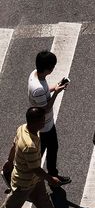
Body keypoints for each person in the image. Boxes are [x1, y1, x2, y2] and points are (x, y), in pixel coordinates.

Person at [0, 107, 72, 208]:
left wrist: (9, 161)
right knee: (10, 207)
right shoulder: (30, 145)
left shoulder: (22, 128)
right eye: (42, 121)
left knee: (43, 199)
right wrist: (51, 179)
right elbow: (35, 169)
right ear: (33, 122)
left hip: (34, 179)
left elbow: (14, 145)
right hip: (24, 183)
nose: (44, 123)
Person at [28, 50, 71, 186]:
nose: (53, 69)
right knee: (42, 153)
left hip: (46, 124)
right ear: (48, 68)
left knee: (51, 149)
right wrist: (56, 93)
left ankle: (52, 175)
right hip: (45, 126)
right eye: (52, 67)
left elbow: (45, 92)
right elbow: (45, 109)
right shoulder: (38, 88)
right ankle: (35, 178)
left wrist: (55, 87)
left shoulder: (34, 74)